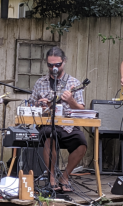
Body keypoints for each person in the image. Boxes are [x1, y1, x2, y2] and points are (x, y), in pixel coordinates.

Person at [29, 46, 87, 192]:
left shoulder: (73, 82)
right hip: (47, 123)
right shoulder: (40, 82)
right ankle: (51, 178)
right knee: (50, 135)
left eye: (57, 65)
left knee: (82, 143)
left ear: (64, 62)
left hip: (68, 125)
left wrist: (71, 101)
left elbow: (82, 110)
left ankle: (65, 176)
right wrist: (38, 104)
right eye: (50, 65)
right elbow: (30, 104)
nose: (53, 68)